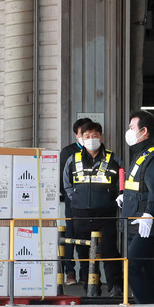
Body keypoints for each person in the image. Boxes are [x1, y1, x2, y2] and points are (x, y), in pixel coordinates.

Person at [116, 110, 154, 304]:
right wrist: (126, 197)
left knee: (133, 266)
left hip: (147, 222)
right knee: (144, 269)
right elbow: (140, 184)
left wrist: (149, 213)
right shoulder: (141, 154)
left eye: (132, 128)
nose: (129, 131)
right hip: (135, 219)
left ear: (144, 131)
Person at [63, 121, 124, 296]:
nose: (91, 139)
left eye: (94, 136)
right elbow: (67, 185)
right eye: (87, 136)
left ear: (101, 137)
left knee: (109, 251)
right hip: (80, 214)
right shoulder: (72, 160)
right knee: (84, 253)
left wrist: (114, 199)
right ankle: (90, 287)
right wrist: (78, 201)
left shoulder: (113, 158)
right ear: (80, 138)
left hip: (106, 214)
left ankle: (115, 287)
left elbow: (122, 181)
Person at [60, 117, 92, 286]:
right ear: (76, 135)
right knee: (70, 237)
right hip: (73, 204)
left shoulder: (99, 153)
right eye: (83, 134)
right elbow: (63, 180)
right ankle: (70, 272)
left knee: (88, 240)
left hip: (93, 206)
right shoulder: (68, 153)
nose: (87, 138)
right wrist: (73, 197)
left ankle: (87, 275)